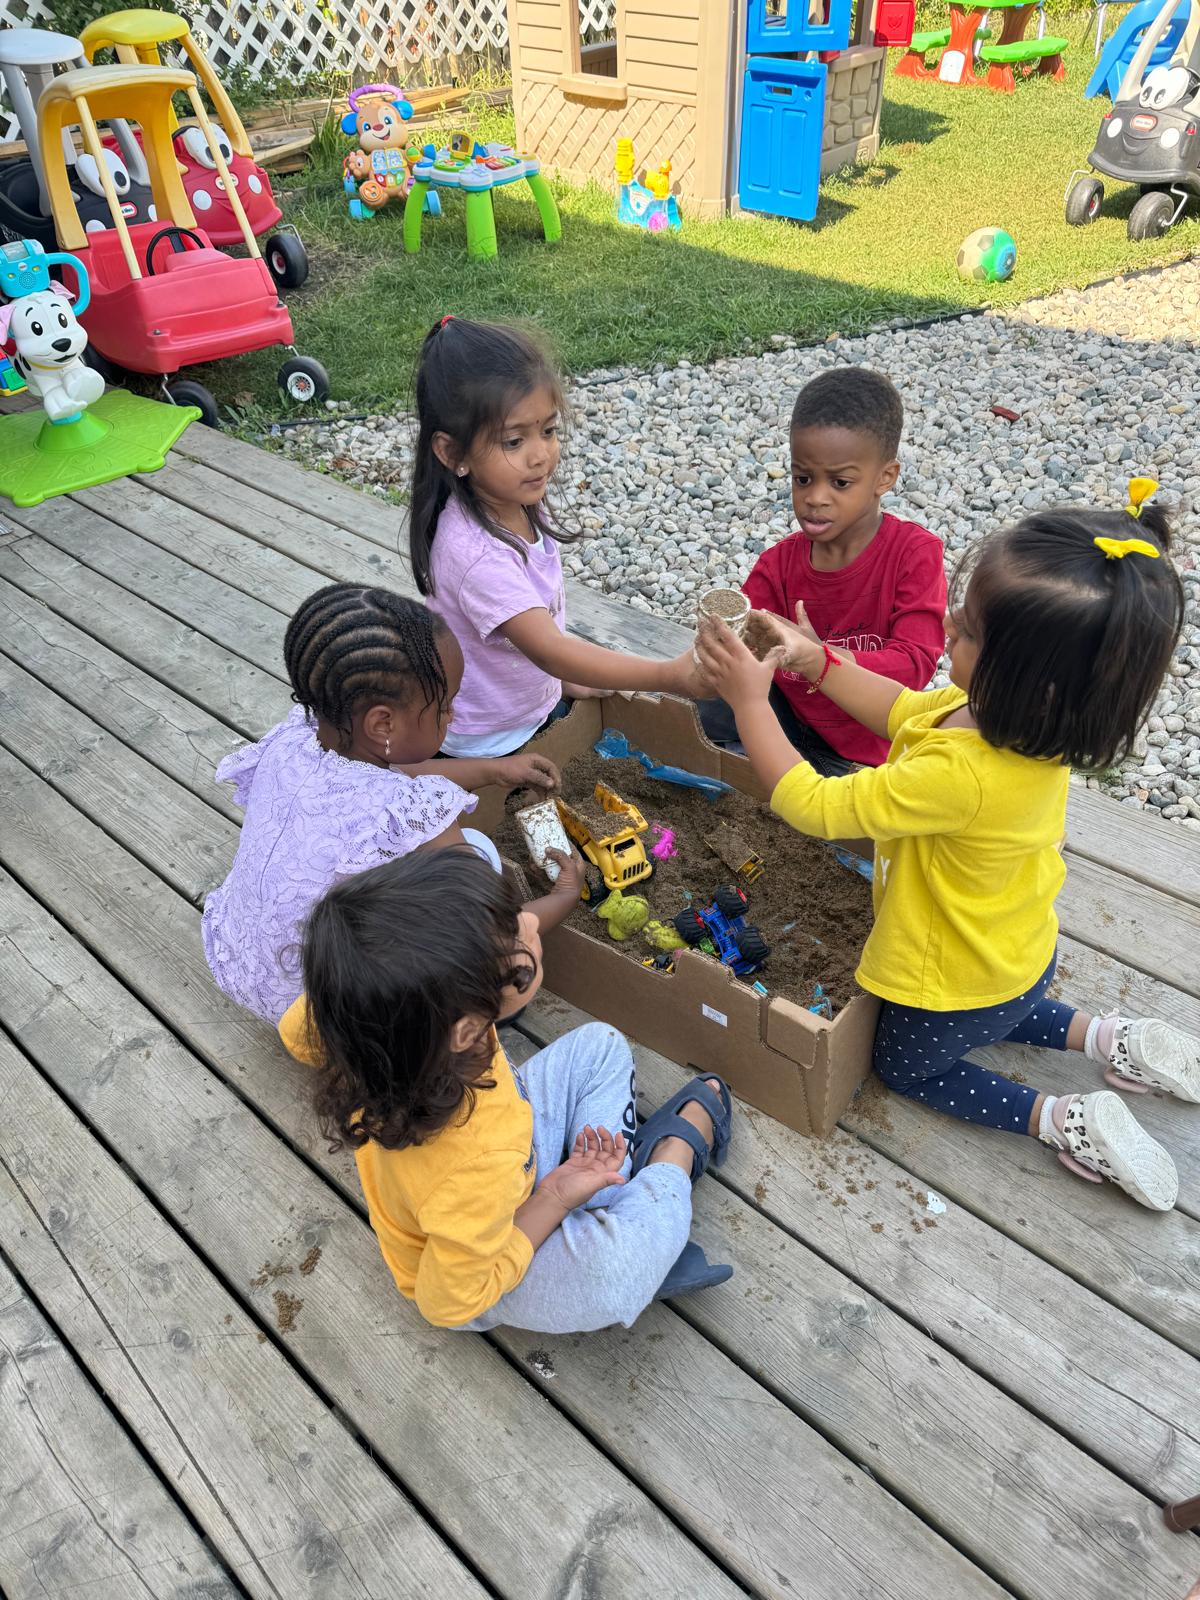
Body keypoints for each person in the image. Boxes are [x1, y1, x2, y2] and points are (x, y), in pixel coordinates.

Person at [696, 485, 1197, 1211]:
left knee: (909, 1065)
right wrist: (816, 661)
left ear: (1031, 681)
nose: (947, 630)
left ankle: (1061, 1119)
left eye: (965, 633)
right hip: (1014, 952)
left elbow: (816, 804)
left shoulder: (961, 776)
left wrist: (749, 704)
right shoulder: (1005, 723)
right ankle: (1113, 1038)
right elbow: (901, 709)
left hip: (952, 971)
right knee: (1003, 1007)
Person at [280, 848, 734, 1331]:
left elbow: (295, 1033)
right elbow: (447, 1304)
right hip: (483, 1264)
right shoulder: (474, 1164)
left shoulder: (375, 1014)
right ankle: (671, 1157)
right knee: (617, 1274)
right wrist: (555, 1196)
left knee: (600, 1045)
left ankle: (604, 1199)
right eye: (517, 937)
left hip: (504, 1154)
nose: (533, 927)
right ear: (466, 1029)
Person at [202, 583, 569, 1025]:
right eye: (446, 706)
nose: (452, 716)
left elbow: (389, 778)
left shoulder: (295, 741)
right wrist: (564, 896)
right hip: (326, 1018)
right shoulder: (409, 813)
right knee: (481, 858)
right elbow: (493, 934)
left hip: (239, 962)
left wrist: (494, 769)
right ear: (383, 724)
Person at [408, 316, 705, 758]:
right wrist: (670, 676)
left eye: (548, 431)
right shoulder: (476, 556)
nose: (540, 455)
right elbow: (549, 649)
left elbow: (537, 644)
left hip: (525, 708)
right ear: (453, 453)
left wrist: (562, 679)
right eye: (513, 441)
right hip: (486, 741)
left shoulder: (512, 497)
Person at [701, 367, 946, 775]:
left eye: (840, 483)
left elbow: (914, 668)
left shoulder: (913, 555)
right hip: (790, 723)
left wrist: (821, 656)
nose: (815, 498)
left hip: (867, 753)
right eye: (803, 478)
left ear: (885, 477)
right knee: (702, 703)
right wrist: (726, 638)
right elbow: (740, 649)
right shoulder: (777, 566)